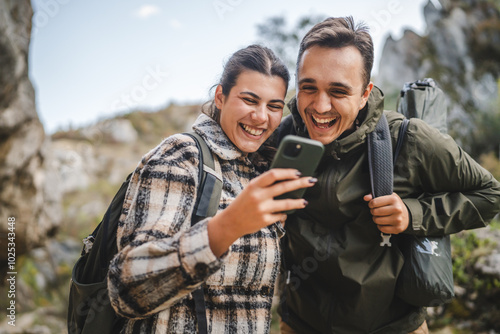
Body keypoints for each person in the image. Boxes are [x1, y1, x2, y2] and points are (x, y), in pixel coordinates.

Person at [276, 16, 500, 334]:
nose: (320, 106)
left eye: (338, 91)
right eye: (308, 87)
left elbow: (490, 195)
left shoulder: (409, 139)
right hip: (298, 324)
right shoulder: (282, 138)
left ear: (366, 92)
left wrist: (412, 214)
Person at [107, 44, 317, 333]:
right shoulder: (181, 156)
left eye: (274, 106)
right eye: (249, 100)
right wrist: (227, 226)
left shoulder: (259, 172)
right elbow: (127, 289)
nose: (260, 116)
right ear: (221, 97)